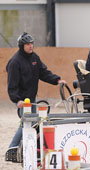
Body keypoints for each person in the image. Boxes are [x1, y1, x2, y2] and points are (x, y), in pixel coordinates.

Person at [6, 32, 65, 162]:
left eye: (32, 43)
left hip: (31, 99)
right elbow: (12, 85)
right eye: (28, 44)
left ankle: (26, 149)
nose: (31, 46)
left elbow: (43, 72)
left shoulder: (34, 58)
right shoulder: (15, 62)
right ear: (22, 46)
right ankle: (13, 149)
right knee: (27, 124)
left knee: (31, 124)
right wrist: (17, 100)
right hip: (22, 100)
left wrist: (57, 80)